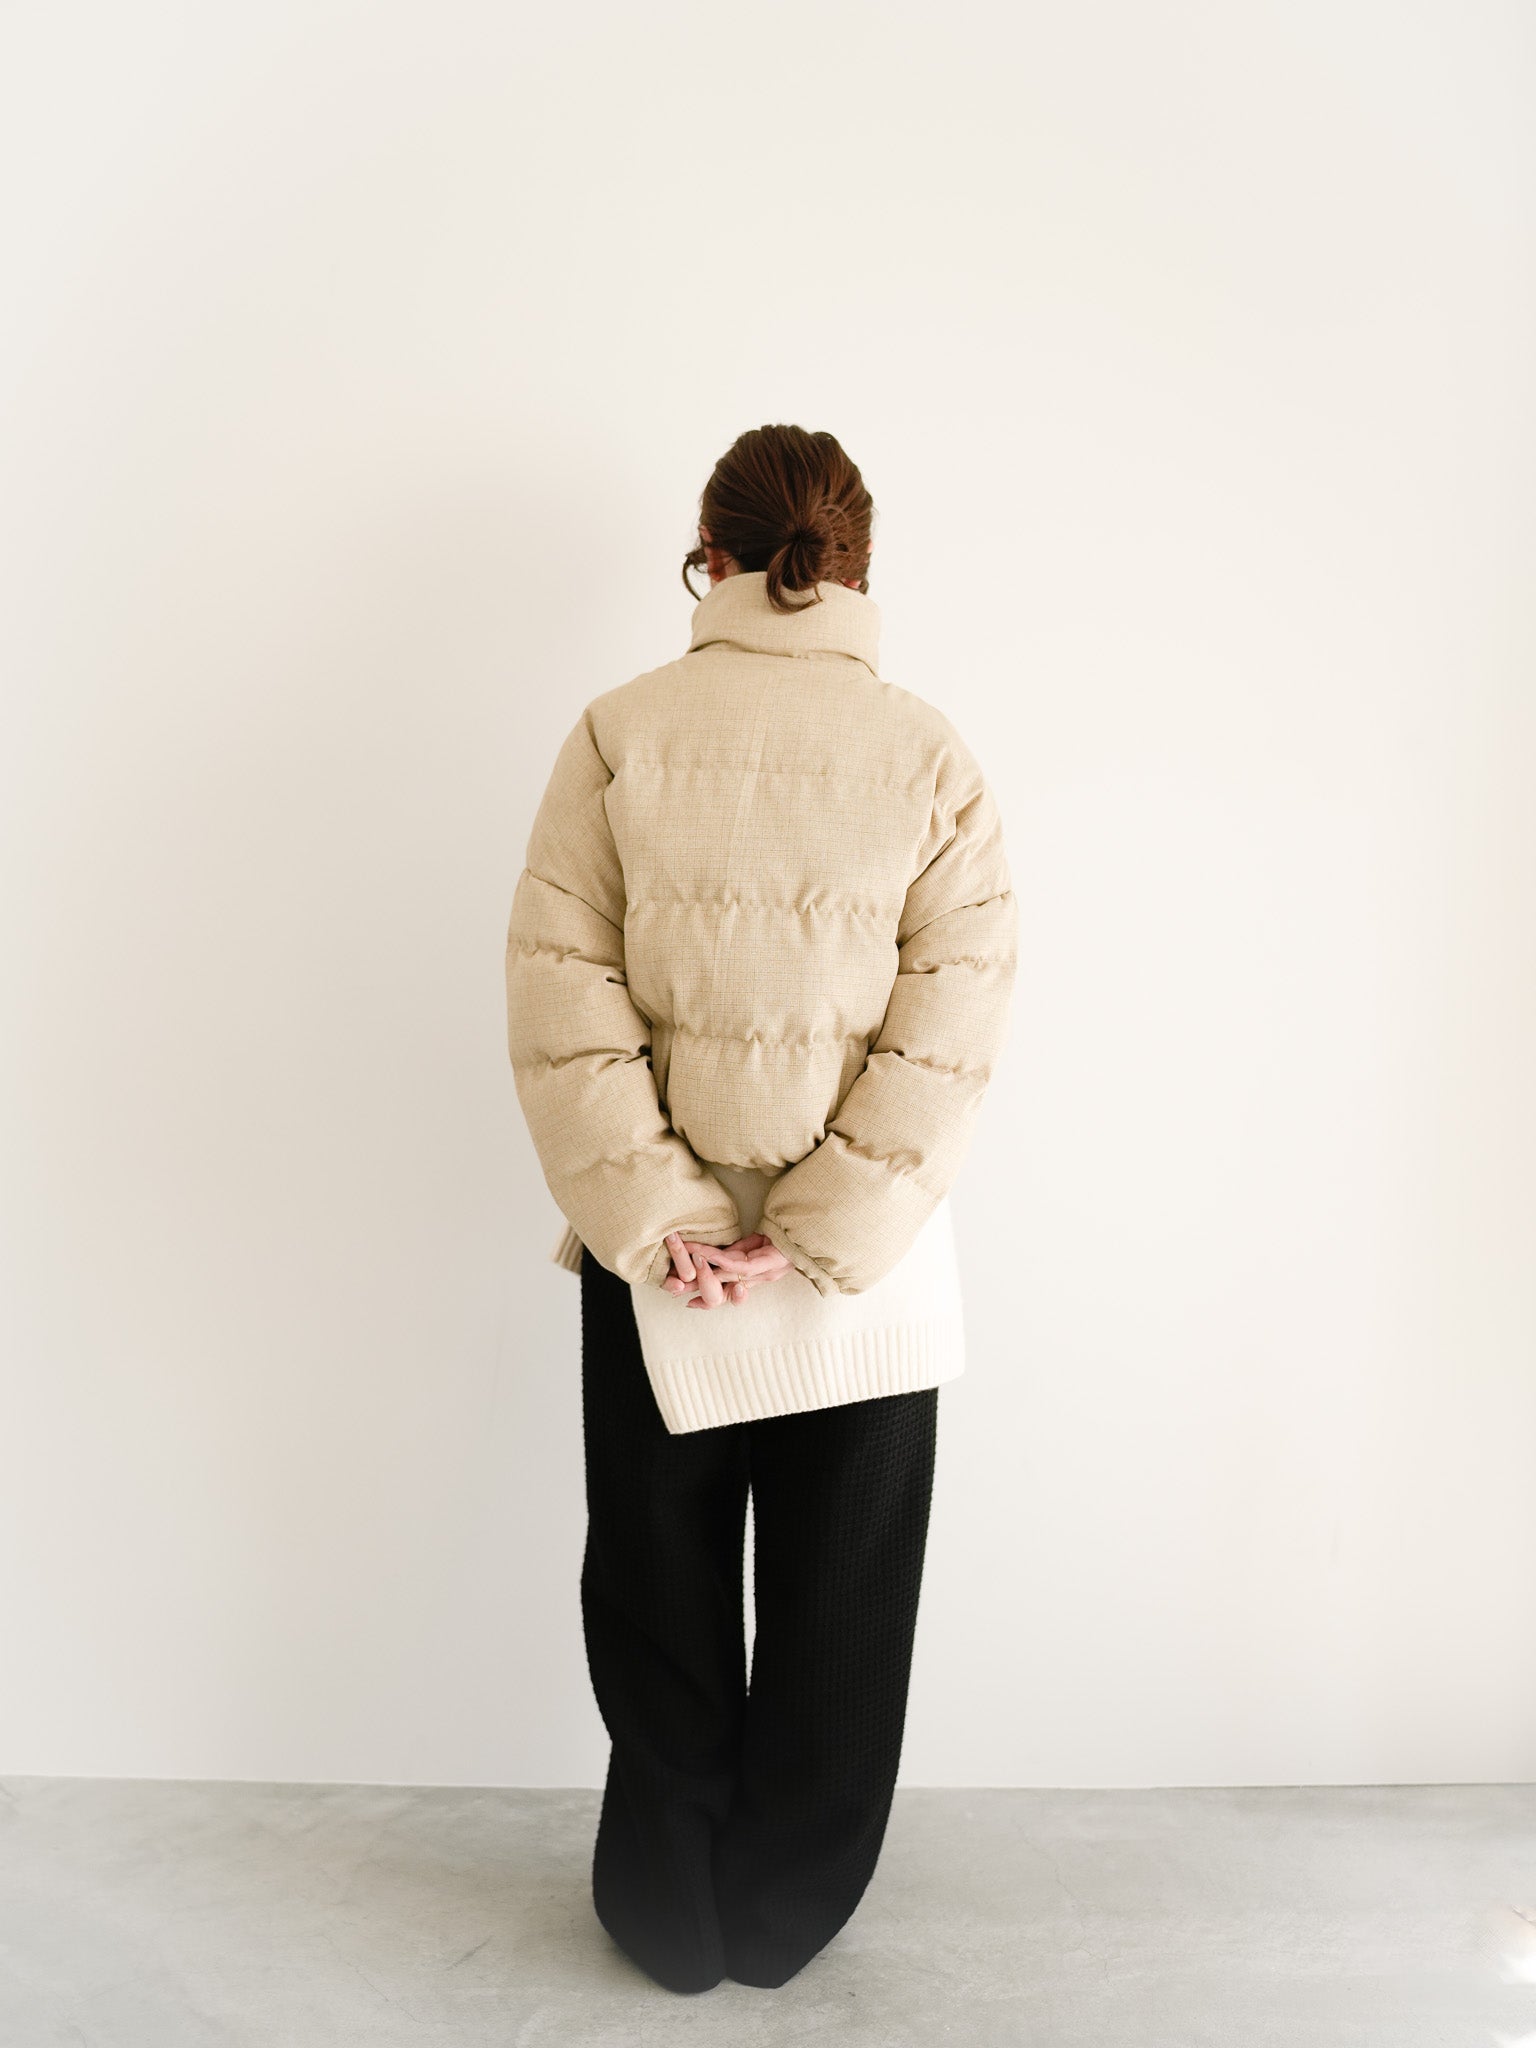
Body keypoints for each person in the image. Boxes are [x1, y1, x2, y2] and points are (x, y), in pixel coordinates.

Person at [504, 422, 1018, 1993]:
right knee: (842, 1606)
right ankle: (789, 1910)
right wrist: (822, 1230)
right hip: (867, 1272)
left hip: (658, 1268)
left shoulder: (618, 734)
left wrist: (666, 1218)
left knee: (656, 1586)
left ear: (709, 555)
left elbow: (560, 989)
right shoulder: (930, 756)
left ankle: (665, 1905)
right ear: (857, 564)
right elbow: (953, 1022)